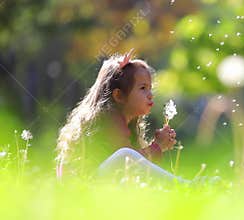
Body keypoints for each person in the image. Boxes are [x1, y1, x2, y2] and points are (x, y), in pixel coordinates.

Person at [55, 50, 186, 184]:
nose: (150, 94)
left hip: (96, 185)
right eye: (142, 88)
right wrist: (157, 146)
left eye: (150, 88)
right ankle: (184, 185)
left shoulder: (127, 124)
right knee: (125, 155)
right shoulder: (108, 119)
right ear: (118, 95)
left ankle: (182, 185)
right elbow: (129, 163)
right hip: (84, 188)